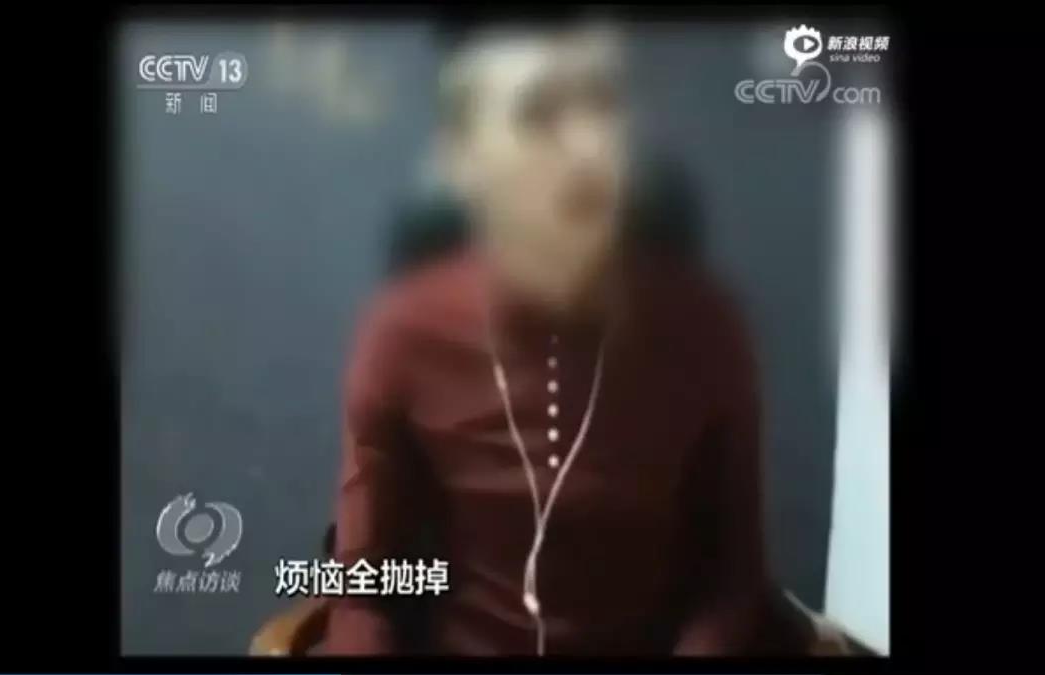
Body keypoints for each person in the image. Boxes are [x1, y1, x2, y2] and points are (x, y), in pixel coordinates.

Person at [314, 22, 812, 656]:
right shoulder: (402, 332)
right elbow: (361, 588)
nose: (590, 148)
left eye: (604, 105)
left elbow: (731, 587)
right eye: (540, 114)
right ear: (464, 161)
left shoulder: (706, 328)